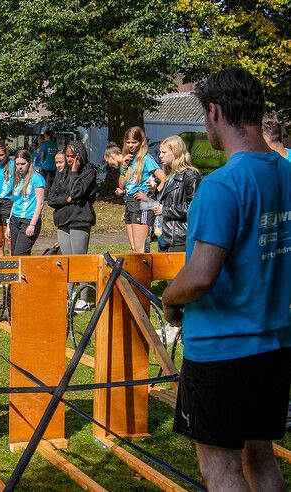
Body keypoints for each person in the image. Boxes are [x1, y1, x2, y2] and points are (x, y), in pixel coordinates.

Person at [162, 67, 291, 492]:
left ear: (215, 112)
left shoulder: (222, 186)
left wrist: (168, 296)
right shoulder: (287, 175)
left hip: (220, 351)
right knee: (261, 459)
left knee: (220, 471)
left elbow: (199, 277)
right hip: (273, 345)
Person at [49, 142, 97, 311]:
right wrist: (66, 200)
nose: (69, 160)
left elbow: (77, 192)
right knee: (67, 260)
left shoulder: (88, 171)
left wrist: (75, 172)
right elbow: (51, 199)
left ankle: (83, 298)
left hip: (79, 219)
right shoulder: (62, 172)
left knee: (79, 259)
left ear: (79, 155)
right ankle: (68, 295)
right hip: (62, 220)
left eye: (72, 156)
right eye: (67, 156)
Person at [115, 127, 166, 253]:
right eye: (128, 142)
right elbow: (121, 186)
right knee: (134, 250)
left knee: (140, 250)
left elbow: (164, 179)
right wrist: (123, 166)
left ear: (141, 142)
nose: (130, 145)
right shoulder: (128, 159)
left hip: (142, 204)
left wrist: (150, 194)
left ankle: (146, 273)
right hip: (129, 203)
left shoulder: (146, 159)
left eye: (134, 142)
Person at [153, 135, 202, 252]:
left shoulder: (190, 176)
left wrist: (165, 210)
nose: (160, 155)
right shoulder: (170, 176)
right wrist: (153, 190)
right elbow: (160, 202)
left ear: (175, 152)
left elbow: (193, 207)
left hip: (180, 237)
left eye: (164, 152)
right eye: (160, 152)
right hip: (164, 236)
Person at [6, 149, 46, 256]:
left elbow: (40, 203)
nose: (20, 167)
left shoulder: (37, 179)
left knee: (20, 254)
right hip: (15, 220)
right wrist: (9, 224)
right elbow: (15, 202)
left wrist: (32, 224)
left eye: (23, 164)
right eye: (17, 164)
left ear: (29, 162)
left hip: (28, 220)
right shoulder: (17, 179)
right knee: (14, 255)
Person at [39, 130, 58, 196]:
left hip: (45, 166)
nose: (44, 137)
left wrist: (41, 163)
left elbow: (42, 155)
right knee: (53, 181)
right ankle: (52, 195)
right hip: (53, 166)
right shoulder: (55, 144)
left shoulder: (45, 145)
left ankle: (43, 195)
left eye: (45, 136)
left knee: (42, 181)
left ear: (48, 136)